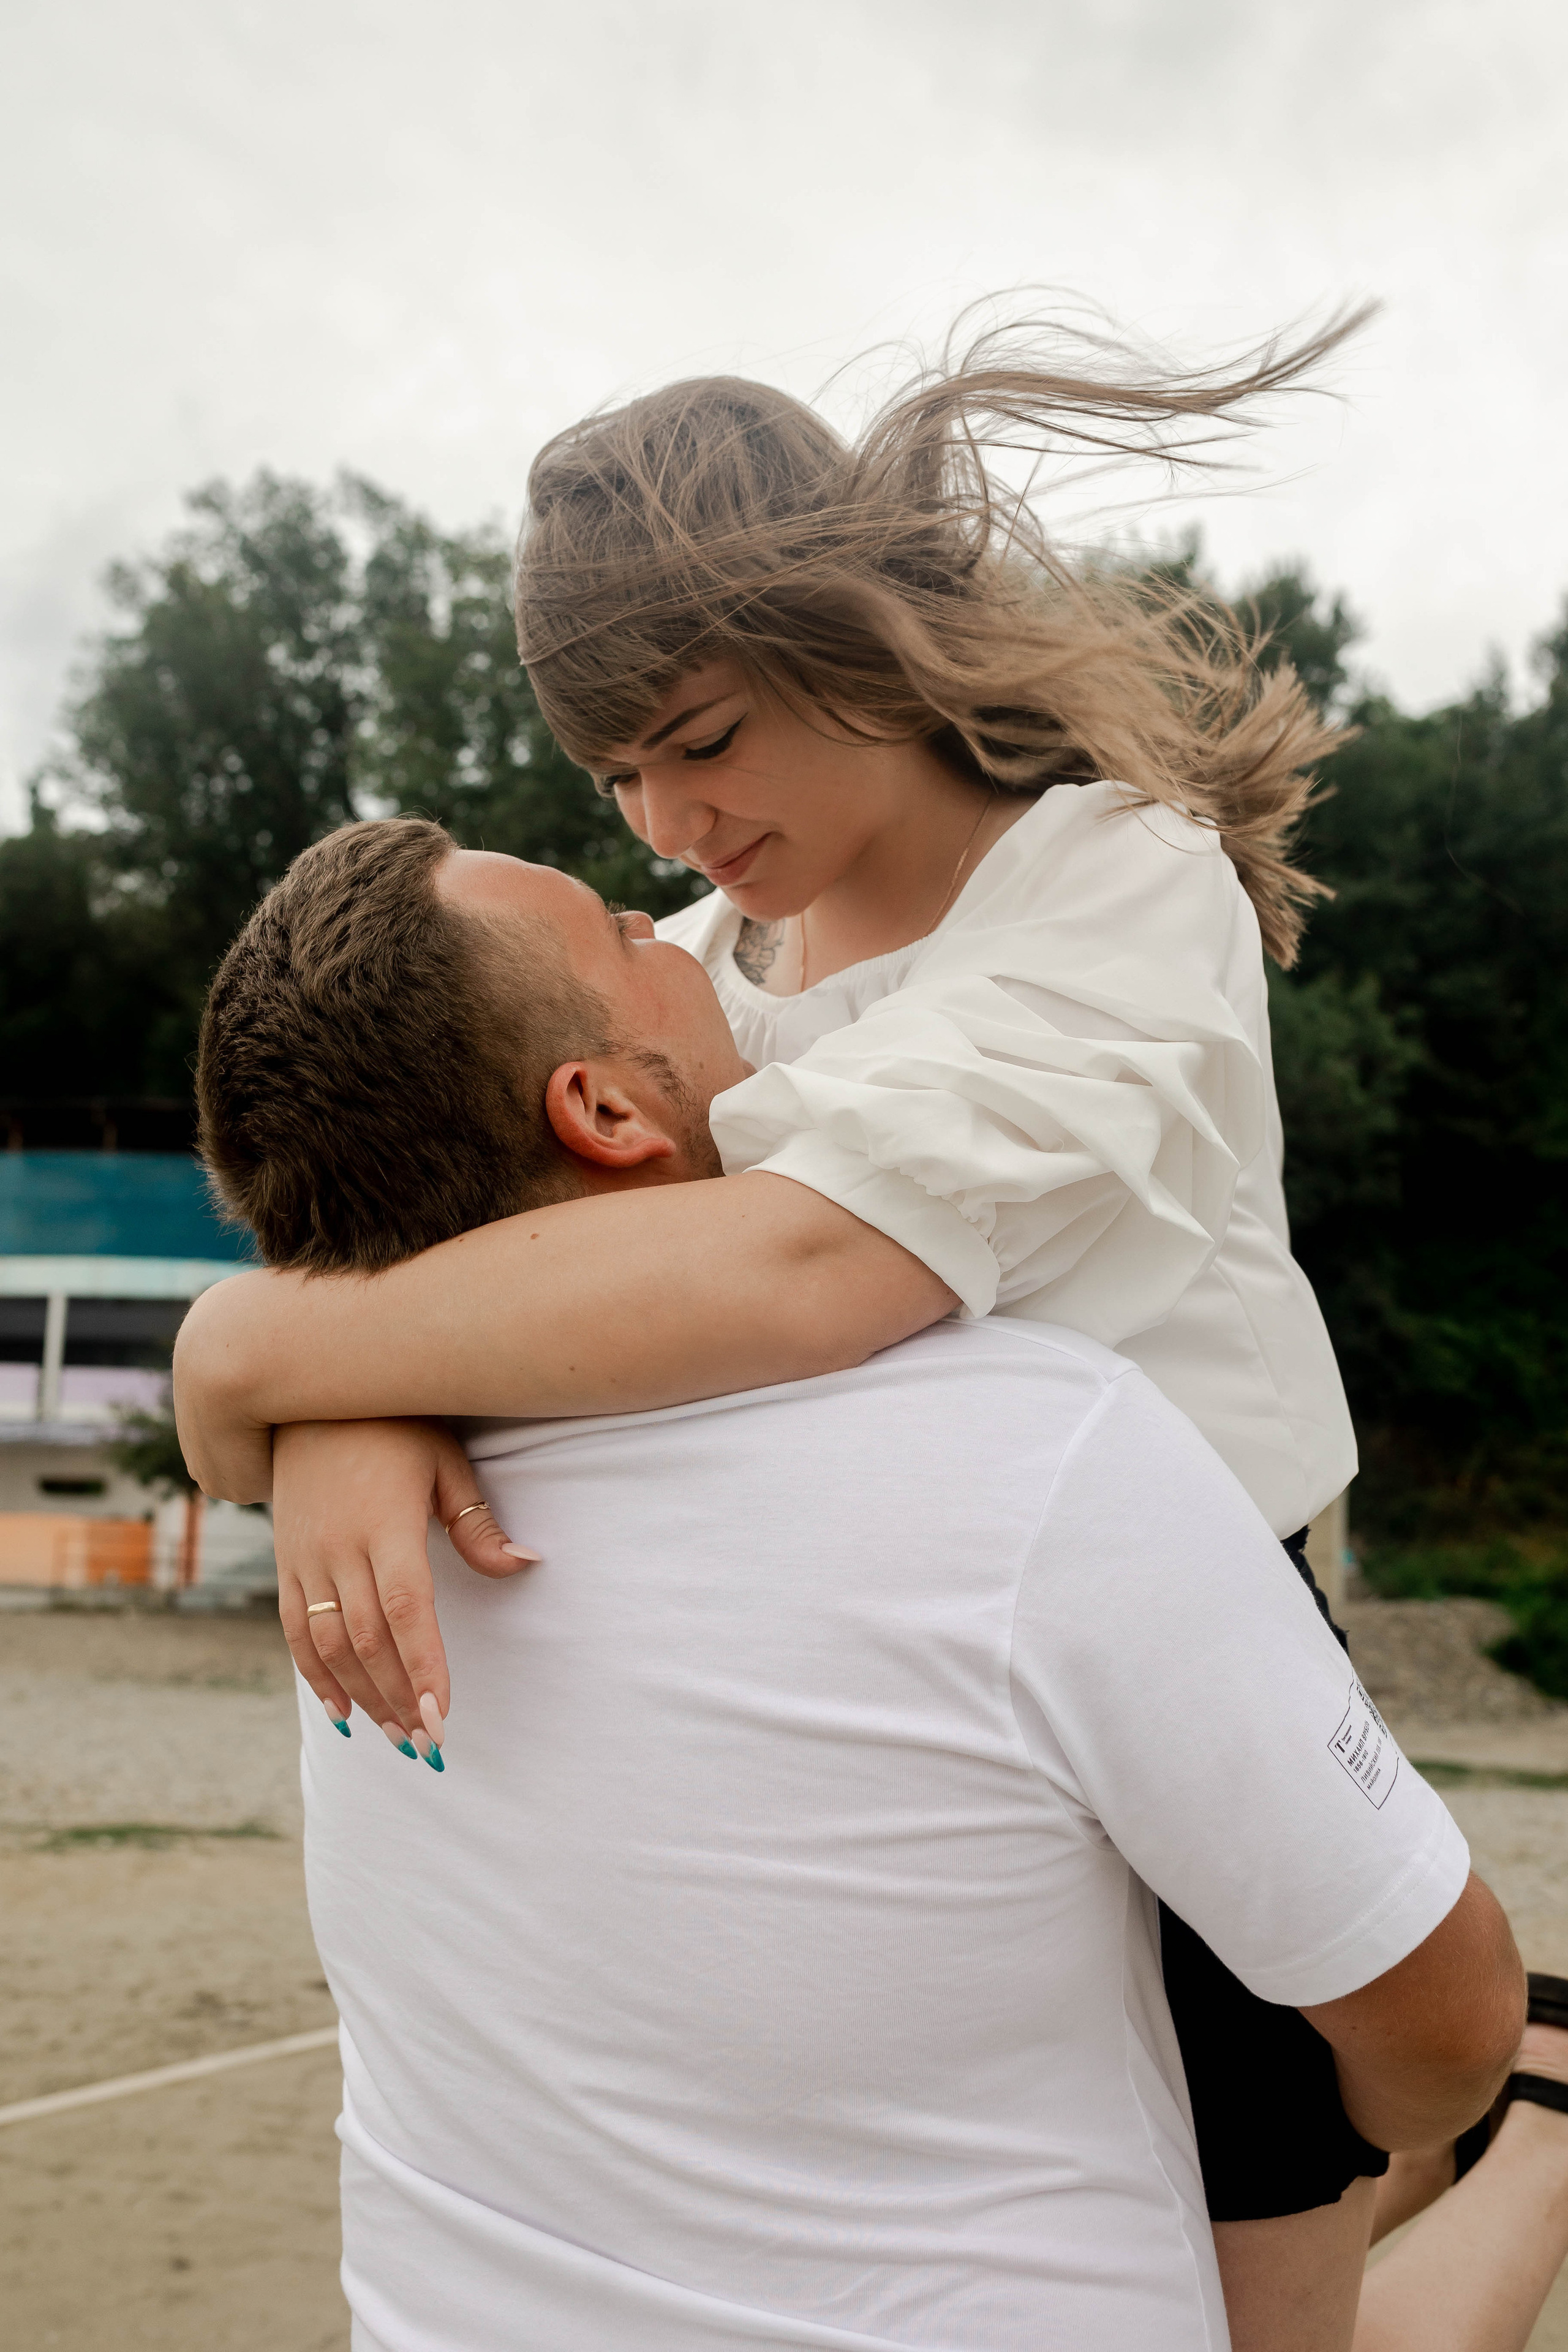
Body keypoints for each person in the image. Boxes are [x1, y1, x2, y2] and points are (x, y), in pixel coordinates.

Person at [168, 314, 1442, 2341]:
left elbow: (806, 1271)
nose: (667, 822)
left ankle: (1499, 2151)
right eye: (618, 774)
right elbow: (500, 1234)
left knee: (1273, 2256)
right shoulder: (688, 962)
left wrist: (256, 1366)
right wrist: (367, 1407)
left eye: (703, 736)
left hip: (1197, 1613)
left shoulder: (1116, 878)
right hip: (924, 1657)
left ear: (857, 640)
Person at [193, 820, 1526, 2352]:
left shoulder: (353, 1513)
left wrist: (272, 1380)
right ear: (606, 1107)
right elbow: (1444, 2024)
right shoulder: (1036, 1449)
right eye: (621, 932)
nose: (670, 913)